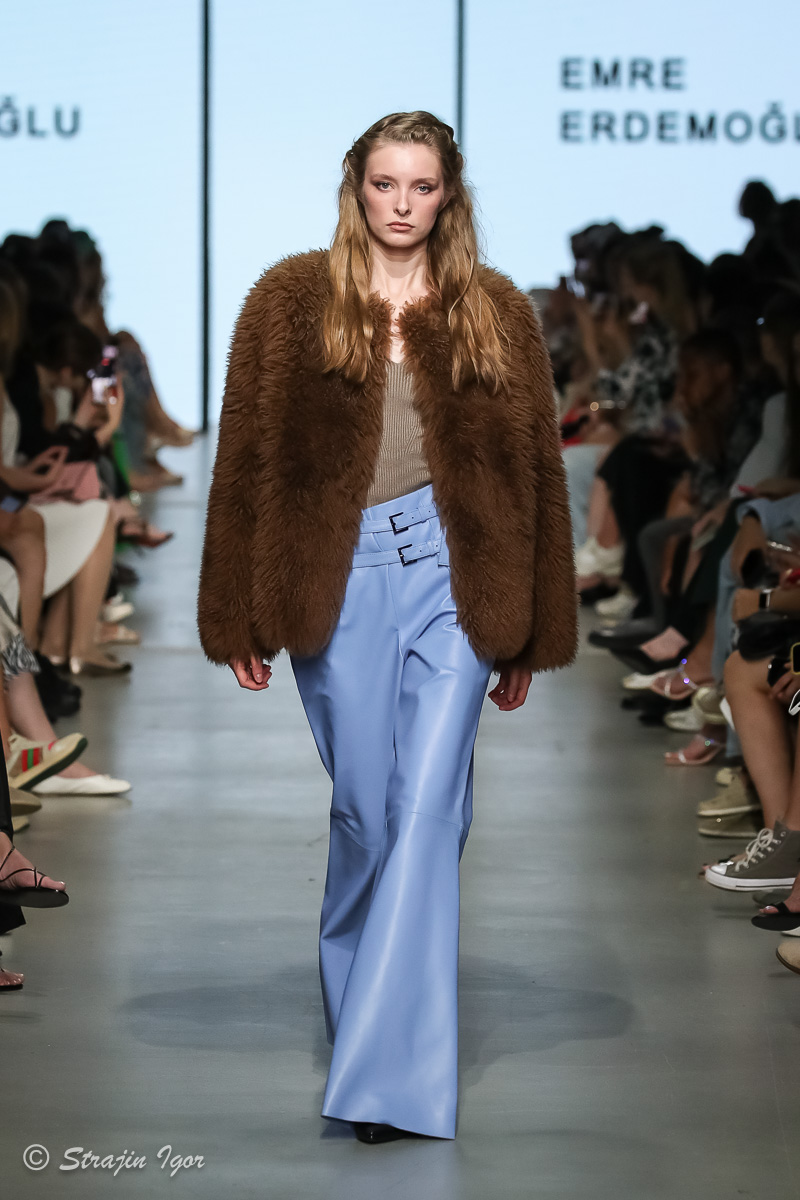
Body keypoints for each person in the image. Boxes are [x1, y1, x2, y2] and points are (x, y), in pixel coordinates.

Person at [197, 110, 577, 1143]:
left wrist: (534, 627)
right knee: (367, 812)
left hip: (458, 573)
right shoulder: (289, 302)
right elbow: (244, 459)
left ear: (448, 194)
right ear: (354, 187)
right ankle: (365, 1017)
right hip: (337, 572)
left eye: (421, 185)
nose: (402, 204)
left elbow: (534, 473)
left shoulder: (494, 310)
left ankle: (388, 1079)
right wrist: (235, 608)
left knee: (428, 811)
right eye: (384, 183)